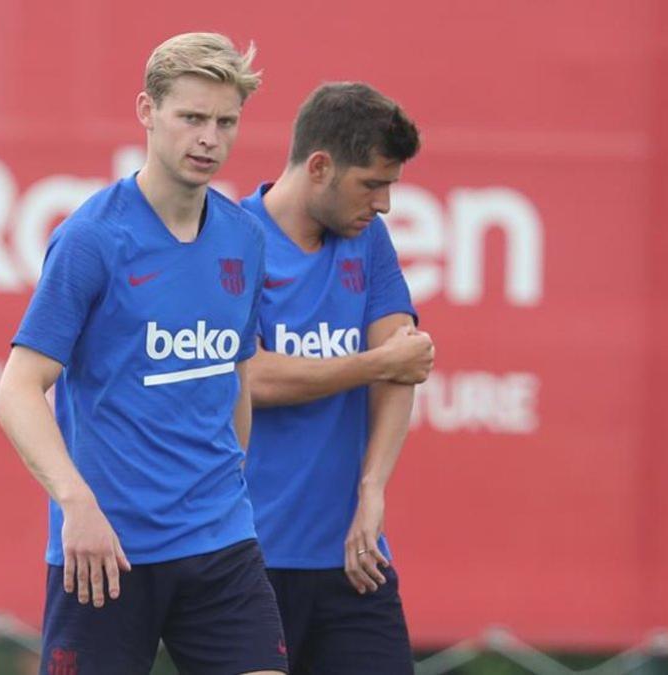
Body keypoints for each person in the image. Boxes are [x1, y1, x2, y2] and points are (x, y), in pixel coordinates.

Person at [0, 32, 287, 675]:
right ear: (147, 112)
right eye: (191, 117)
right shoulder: (92, 238)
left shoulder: (244, 236)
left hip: (221, 544)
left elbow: (237, 370)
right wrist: (77, 503)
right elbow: (18, 387)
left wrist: (229, 480)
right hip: (105, 552)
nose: (209, 138)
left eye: (225, 121)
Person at [240, 81, 431, 674]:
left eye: (391, 186)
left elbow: (405, 365)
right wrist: (374, 365)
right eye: (372, 184)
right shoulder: (232, 239)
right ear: (319, 166)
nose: (384, 204)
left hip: (356, 559)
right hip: (247, 562)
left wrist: (372, 489)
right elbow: (253, 380)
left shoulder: (368, 239)